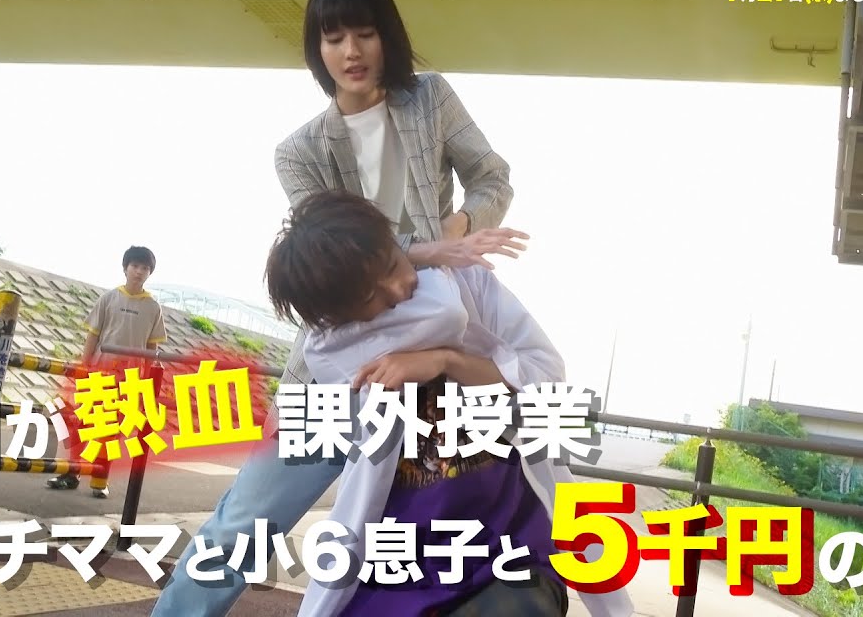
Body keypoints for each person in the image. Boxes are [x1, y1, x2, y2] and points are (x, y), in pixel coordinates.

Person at [152, 0, 527, 616]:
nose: (351, 51)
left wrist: (461, 228)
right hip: (333, 367)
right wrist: (433, 250)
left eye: (365, 33)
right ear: (316, 50)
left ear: (388, 38)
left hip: (431, 361)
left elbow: (493, 178)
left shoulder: (431, 99)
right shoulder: (298, 152)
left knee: (431, 546)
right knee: (244, 524)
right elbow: (336, 258)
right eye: (333, 38)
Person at [268, 191, 634, 617]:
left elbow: (546, 377)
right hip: (402, 554)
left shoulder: (467, 285)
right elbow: (430, 319)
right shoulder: (337, 351)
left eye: (394, 264)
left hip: (509, 547)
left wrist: (447, 360)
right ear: (338, 316)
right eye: (371, 299)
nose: (399, 288)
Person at [46, 245, 167, 497]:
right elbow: (93, 335)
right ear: (125, 268)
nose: (139, 272)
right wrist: (84, 366)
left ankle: (100, 480)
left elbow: (152, 347)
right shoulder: (109, 298)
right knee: (83, 423)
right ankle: (71, 473)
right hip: (100, 371)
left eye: (145, 268)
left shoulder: (153, 307)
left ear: (150, 273)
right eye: (135, 266)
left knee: (112, 430)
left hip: (130, 378)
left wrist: (146, 381)